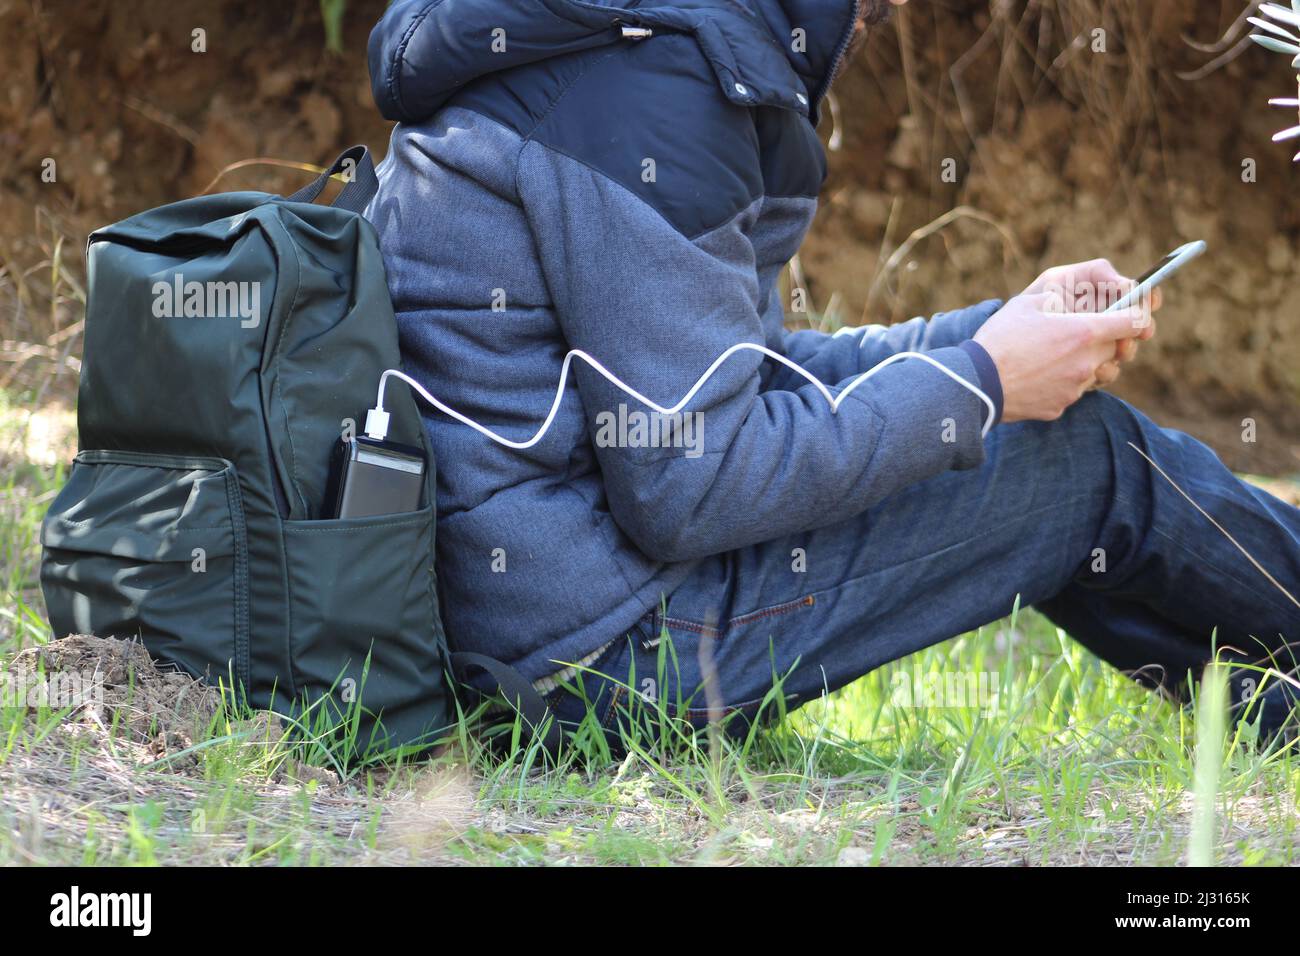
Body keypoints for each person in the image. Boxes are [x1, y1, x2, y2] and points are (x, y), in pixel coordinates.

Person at [365, 0, 1300, 747]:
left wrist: (1000, 335)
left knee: (1048, 456)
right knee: (1087, 460)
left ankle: (1275, 713)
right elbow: (693, 484)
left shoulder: (600, 41)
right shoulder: (651, 85)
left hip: (514, 634)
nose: (872, 30)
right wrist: (985, 383)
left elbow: (746, 376)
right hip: (598, 663)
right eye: (875, 14)